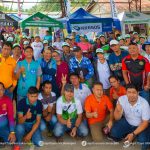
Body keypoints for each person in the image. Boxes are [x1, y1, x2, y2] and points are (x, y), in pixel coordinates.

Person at [110, 84, 150, 150]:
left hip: (140, 124)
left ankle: (133, 134)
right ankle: (131, 134)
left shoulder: (144, 103)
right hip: (127, 121)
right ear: (126, 92)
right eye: (129, 92)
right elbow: (117, 118)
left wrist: (133, 134)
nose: (131, 95)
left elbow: (145, 123)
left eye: (134, 92)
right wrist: (118, 111)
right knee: (114, 132)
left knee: (144, 142)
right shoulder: (121, 99)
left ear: (138, 93)